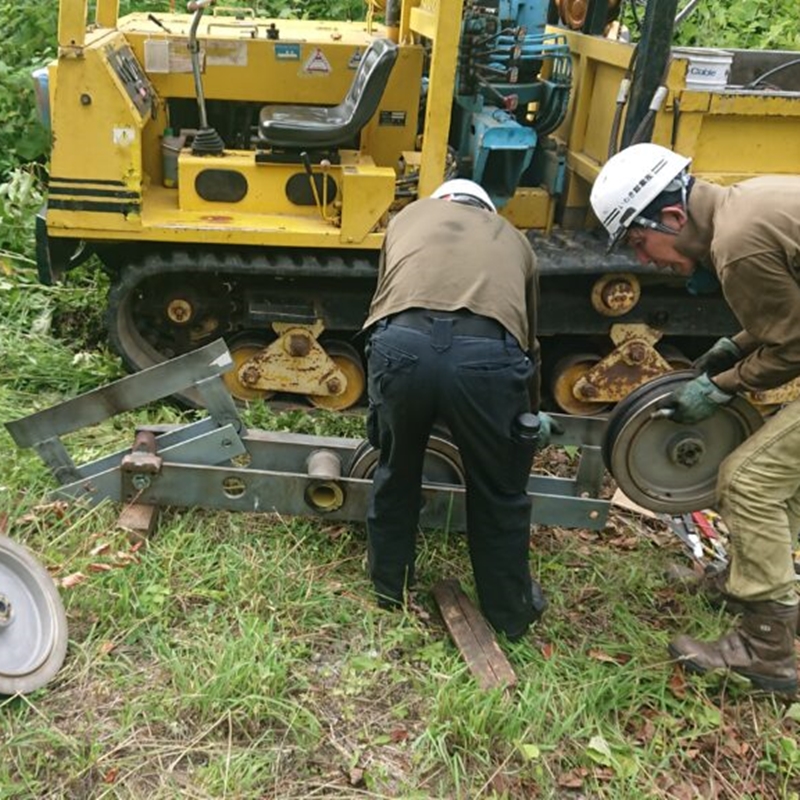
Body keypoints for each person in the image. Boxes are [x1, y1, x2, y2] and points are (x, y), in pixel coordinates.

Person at [590, 143, 800, 694]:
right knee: (784, 480)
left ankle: (766, 649)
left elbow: (794, 345)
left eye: (640, 241)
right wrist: (733, 346)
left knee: (749, 479)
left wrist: (719, 386)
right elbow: (788, 314)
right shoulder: (744, 206)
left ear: (674, 217)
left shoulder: (738, 245)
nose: (643, 259)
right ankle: (751, 582)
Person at [361, 178, 559, 640]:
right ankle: (510, 614)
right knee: (498, 491)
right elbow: (528, 339)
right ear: (487, 209)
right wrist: (526, 416)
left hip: (400, 346)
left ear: (442, 201)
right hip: (486, 357)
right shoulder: (513, 239)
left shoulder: (406, 218)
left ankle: (390, 587)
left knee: (394, 470)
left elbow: (386, 297)